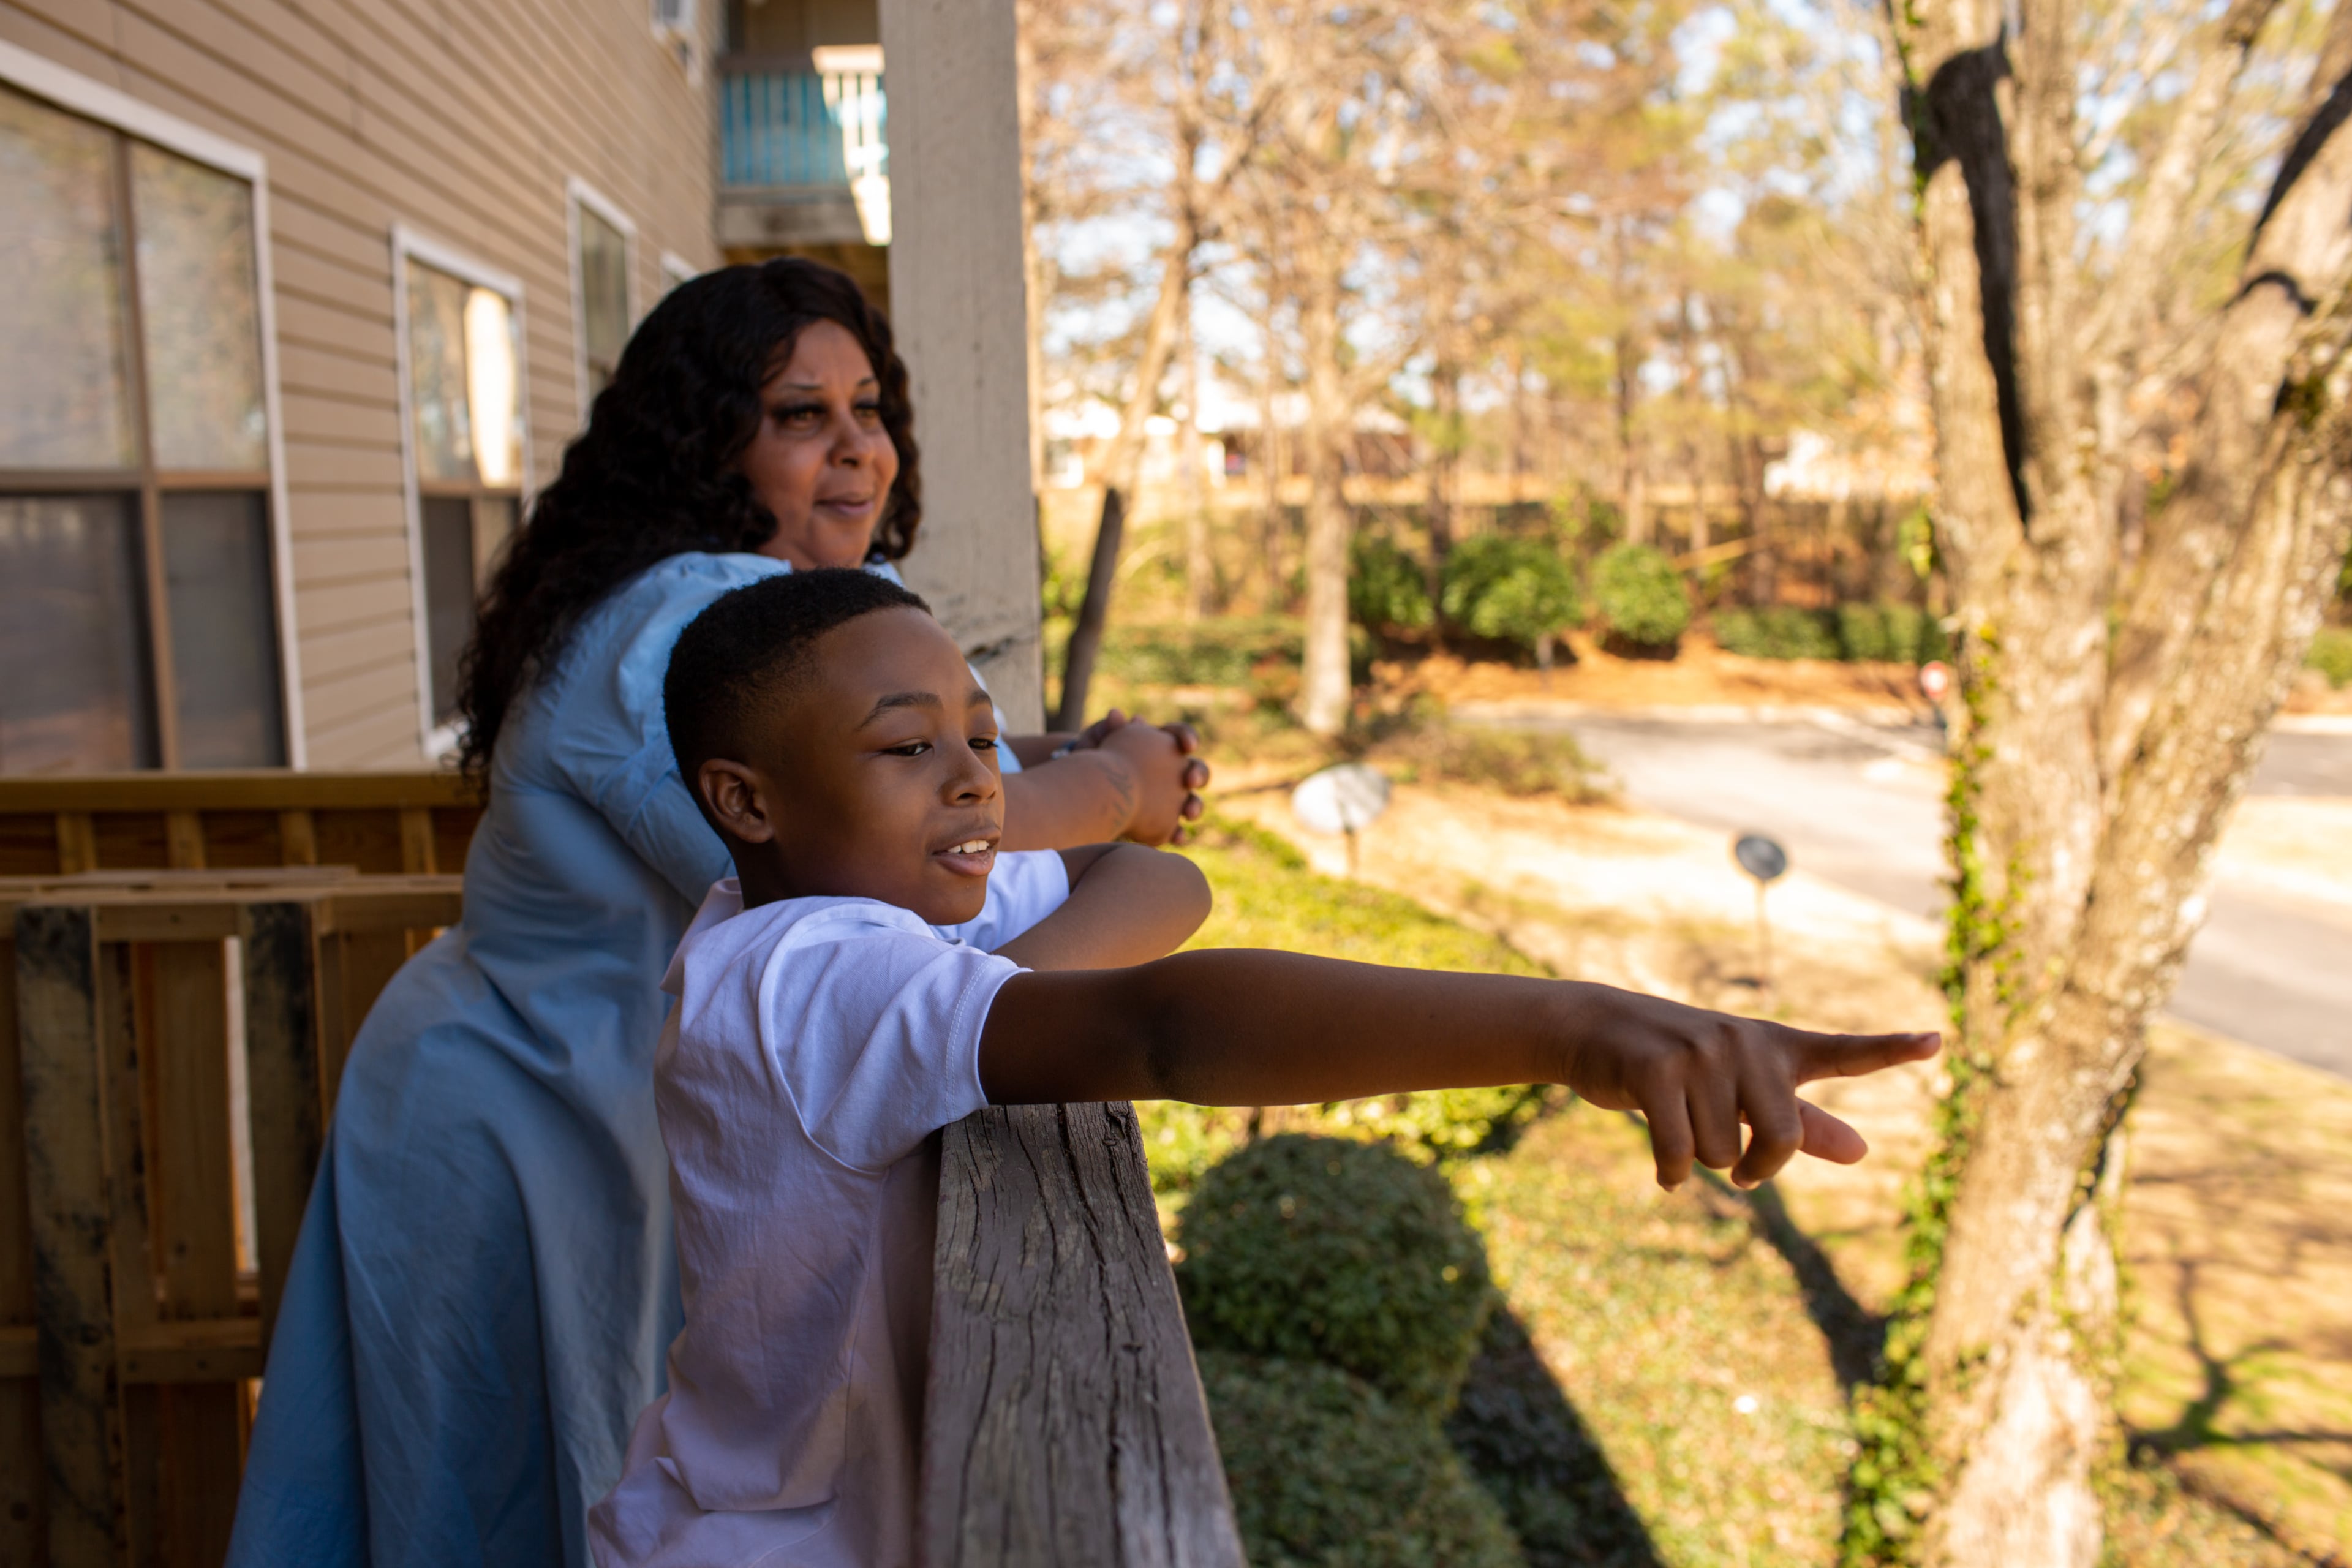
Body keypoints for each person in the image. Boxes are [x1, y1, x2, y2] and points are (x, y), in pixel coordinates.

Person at [587, 568, 1945, 1568]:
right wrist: (1577, 1028)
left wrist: (1011, 995)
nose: (977, 782)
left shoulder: (879, 905)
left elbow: (1155, 871)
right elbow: (1165, 1025)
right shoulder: (806, 969)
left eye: (982, 735)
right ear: (748, 801)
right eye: (906, 744)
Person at [227, 260, 1209, 1568]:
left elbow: (893, 782)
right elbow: (873, 841)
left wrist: (1055, 761)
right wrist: (1110, 789)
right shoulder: (677, 620)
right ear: (708, 444)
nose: (858, 446)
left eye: (869, 407)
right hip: (517, 1127)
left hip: (603, 1112)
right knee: (498, 1491)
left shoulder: (747, 612)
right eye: (802, 415)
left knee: (588, 1474)